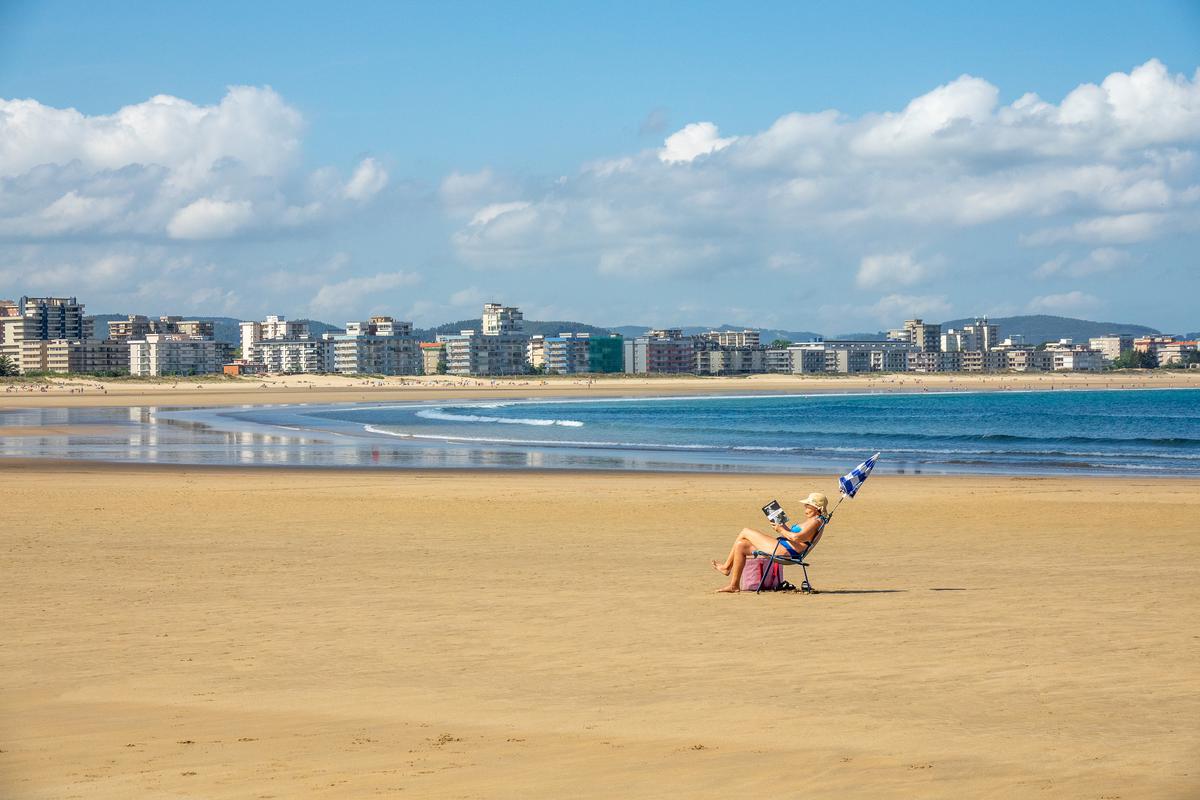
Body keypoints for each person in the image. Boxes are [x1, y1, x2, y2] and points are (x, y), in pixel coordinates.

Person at [711, 492, 829, 593]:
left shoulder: (815, 522)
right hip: (784, 547)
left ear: (816, 508)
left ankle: (726, 567)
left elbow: (796, 538)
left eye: (808, 505)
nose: (805, 507)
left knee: (745, 531)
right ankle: (734, 585)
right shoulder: (813, 521)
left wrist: (780, 529)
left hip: (786, 551)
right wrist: (781, 525)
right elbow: (794, 536)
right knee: (741, 545)